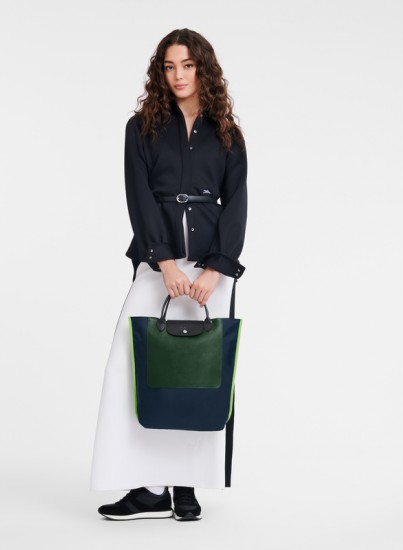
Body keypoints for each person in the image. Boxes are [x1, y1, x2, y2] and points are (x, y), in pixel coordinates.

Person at [90, 28, 248, 521]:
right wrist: (164, 263)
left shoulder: (227, 131)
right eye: (169, 66)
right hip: (158, 264)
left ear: (203, 68)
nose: (178, 75)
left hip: (210, 272)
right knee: (135, 369)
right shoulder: (141, 128)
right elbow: (138, 198)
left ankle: (185, 488)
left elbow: (237, 203)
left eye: (187, 65)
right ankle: (149, 487)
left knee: (197, 379)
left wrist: (216, 269)